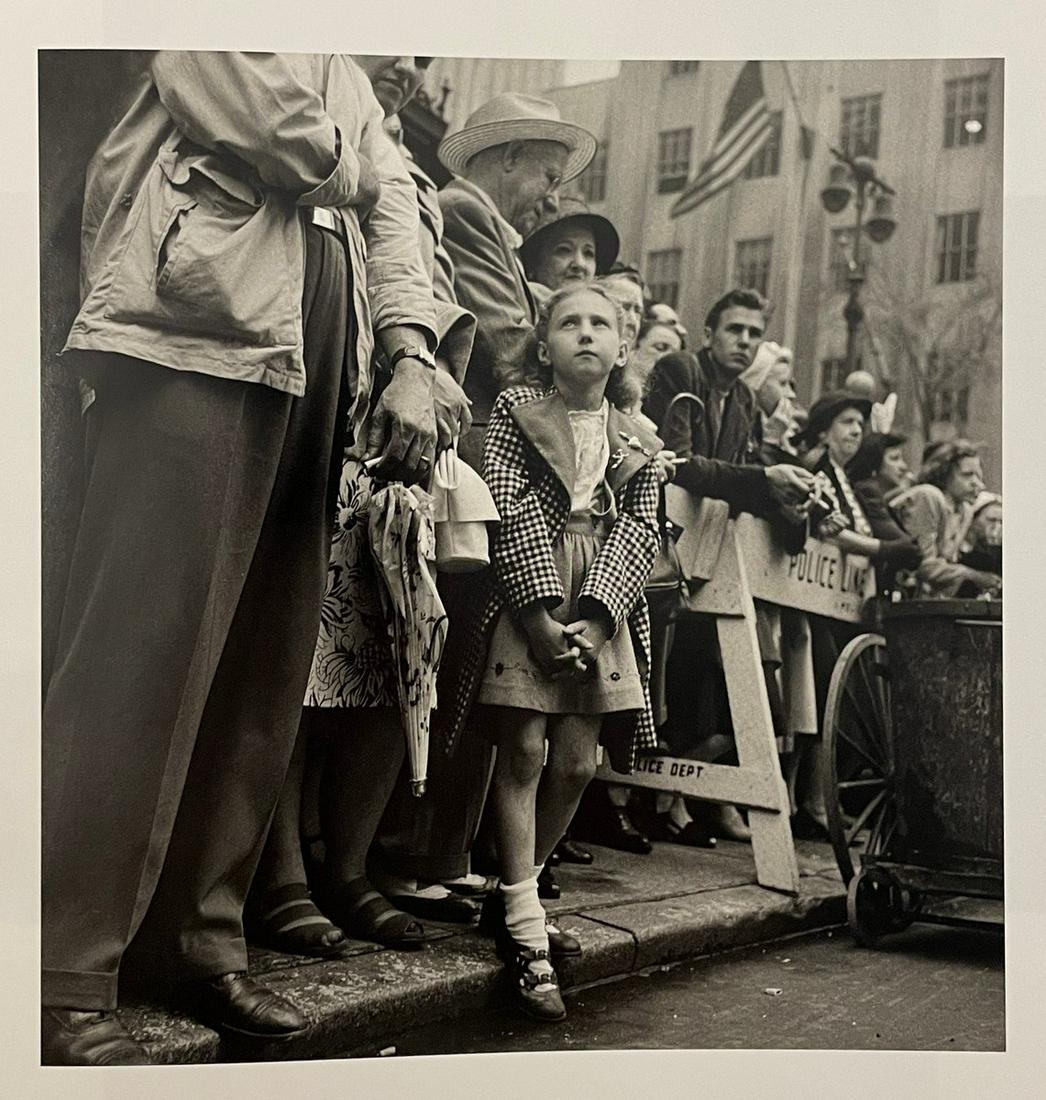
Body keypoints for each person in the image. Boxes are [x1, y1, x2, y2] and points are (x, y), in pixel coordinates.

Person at [41, 51, 441, 1065]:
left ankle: (195, 940)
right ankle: (60, 958)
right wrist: (352, 162)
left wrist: (409, 351)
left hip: (322, 334)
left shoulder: (347, 64)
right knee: (140, 648)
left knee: (265, 658)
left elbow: (394, 210)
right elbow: (242, 102)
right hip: (197, 317)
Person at [248, 54, 478, 959]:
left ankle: (348, 868)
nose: (407, 66)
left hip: (395, 433)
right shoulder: (296, 92)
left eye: (422, 55)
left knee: (393, 650)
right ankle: (279, 877)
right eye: (394, 43)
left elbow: (419, 282)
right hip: (308, 400)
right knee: (294, 658)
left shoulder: (408, 173)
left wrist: (428, 367)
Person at [447, 282, 662, 1021]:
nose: (585, 334)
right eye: (568, 323)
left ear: (622, 346)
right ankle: (527, 929)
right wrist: (539, 617)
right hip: (530, 589)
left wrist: (599, 623)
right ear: (544, 345)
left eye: (601, 324)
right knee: (525, 754)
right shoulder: (515, 413)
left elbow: (641, 530)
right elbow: (507, 503)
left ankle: (519, 890)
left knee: (575, 763)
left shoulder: (640, 437)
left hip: (601, 596)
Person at [639, 289, 816, 844]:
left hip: (705, 562)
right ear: (711, 332)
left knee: (718, 690)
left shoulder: (741, 401)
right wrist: (766, 481)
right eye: (735, 330)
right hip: (655, 547)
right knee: (655, 689)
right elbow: (681, 464)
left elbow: (746, 479)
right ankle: (640, 803)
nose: (743, 342)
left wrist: (797, 506)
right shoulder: (677, 370)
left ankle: (678, 802)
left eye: (753, 334)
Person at [438, 93, 597, 469]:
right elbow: (508, 345)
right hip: (479, 452)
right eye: (551, 178)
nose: (555, 201)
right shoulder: (464, 212)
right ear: (512, 157)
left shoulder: (490, 227)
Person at [890, 440, 1001, 598]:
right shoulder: (928, 496)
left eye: (979, 477)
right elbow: (923, 566)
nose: (978, 484)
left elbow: (947, 564)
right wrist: (975, 576)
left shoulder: (964, 510)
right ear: (944, 471)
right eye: (967, 475)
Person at [518, 193, 620, 302]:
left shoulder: (606, 312)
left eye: (588, 253)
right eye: (564, 250)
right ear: (533, 263)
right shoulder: (516, 308)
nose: (579, 264)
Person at [957, 491, 1002, 597]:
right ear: (973, 520)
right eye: (991, 520)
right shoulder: (957, 548)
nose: (997, 527)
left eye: (1001, 522)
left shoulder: (1000, 554)